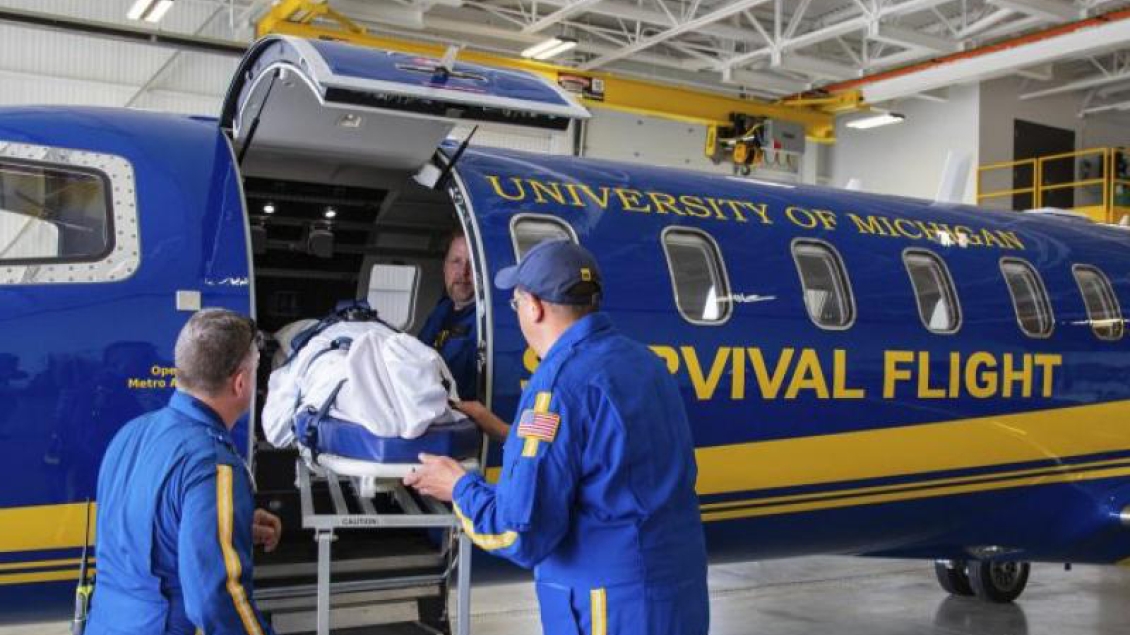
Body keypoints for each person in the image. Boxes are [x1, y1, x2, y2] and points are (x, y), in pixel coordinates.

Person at [405, 240, 710, 635]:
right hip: (675, 594)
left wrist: (458, 486)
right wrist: (500, 429)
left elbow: (519, 531)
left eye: (516, 303)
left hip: (608, 606)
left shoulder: (558, 385)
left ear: (534, 307)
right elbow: (604, 452)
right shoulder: (644, 362)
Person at [86, 309, 280, 635]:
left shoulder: (132, 433)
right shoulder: (212, 465)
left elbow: (140, 527)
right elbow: (218, 601)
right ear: (241, 383)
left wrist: (228, 520)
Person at [417, 229, 478, 401]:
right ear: (445, 267)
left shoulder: (486, 322)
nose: (463, 272)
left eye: (472, 263)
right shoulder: (441, 310)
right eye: (456, 262)